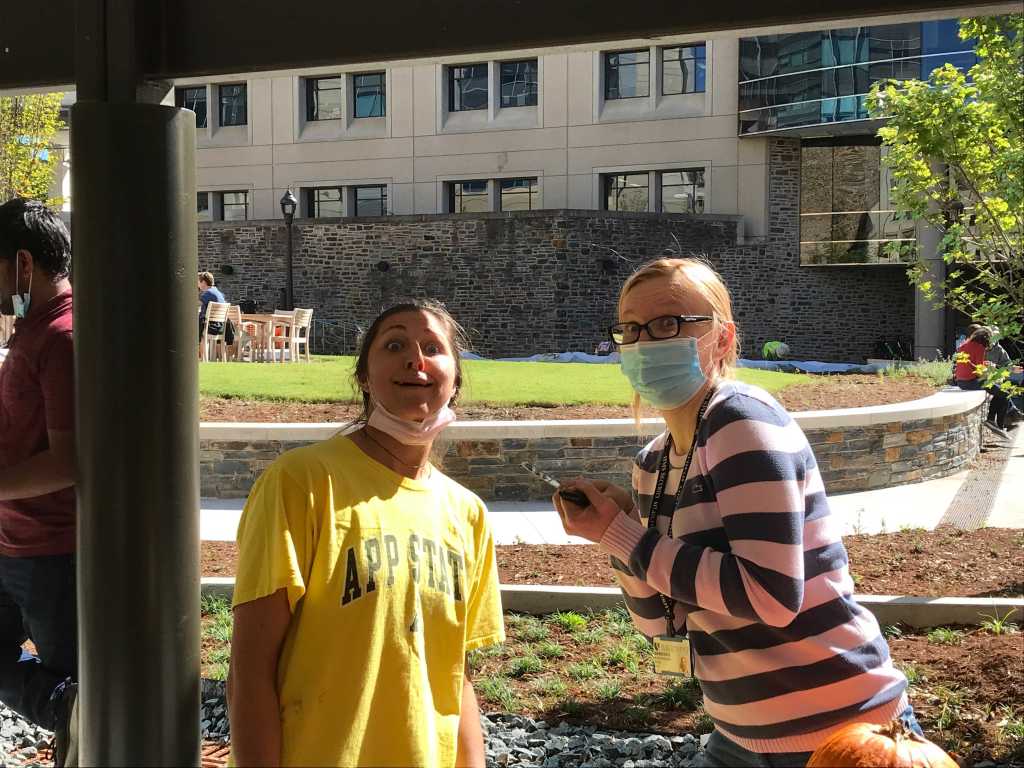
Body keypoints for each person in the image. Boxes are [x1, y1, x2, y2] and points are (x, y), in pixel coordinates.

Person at [553, 257, 919, 768]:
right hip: (740, 733)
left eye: (668, 323)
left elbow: (771, 596)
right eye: (631, 329)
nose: (645, 343)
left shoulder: (741, 421)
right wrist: (621, 532)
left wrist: (625, 537)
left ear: (722, 339)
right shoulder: (652, 464)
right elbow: (660, 625)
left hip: (840, 730)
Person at [227, 299, 504, 767]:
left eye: (433, 348)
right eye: (394, 345)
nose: (415, 359)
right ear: (364, 377)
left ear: (455, 379)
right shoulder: (301, 482)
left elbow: (457, 677)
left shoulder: (468, 514)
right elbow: (250, 671)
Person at [0, 198, 78, 766]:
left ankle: (75, 715)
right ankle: (68, 710)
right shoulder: (31, 329)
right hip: (13, 540)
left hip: (52, 553)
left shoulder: (63, 338)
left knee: (74, 678)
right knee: (68, 694)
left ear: (23, 264)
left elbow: (67, 461)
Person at [955, 326, 1013, 432]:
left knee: (1000, 392)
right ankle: (997, 424)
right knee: (1005, 394)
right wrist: (991, 371)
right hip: (971, 381)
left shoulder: (964, 345)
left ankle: (993, 421)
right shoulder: (980, 348)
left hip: (961, 381)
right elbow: (979, 372)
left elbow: (971, 365)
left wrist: (984, 365)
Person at [197, 271, 227, 359]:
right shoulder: (219, 293)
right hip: (219, 326)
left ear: (203, 282)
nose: (197, 284)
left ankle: (199, 358)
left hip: (210, 326)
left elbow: (195, 305)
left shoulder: (208, 293)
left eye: (198, 282)